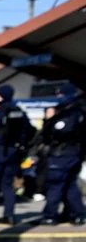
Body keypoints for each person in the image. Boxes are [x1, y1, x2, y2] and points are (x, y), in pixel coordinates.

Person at [0, 84, 32, 225]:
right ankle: (9, 216)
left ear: (1, 96)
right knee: (8, 186)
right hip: (13, 153)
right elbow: (29, 131)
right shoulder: (20, 112)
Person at [37, 86, 85, 226]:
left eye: (61, 95)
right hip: (74, 154)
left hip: (62, 155)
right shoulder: (76, 110)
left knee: (55, 185)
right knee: (70, 185)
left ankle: (50, 215)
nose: (59, 97)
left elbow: (57, 131)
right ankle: (77, 214)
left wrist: (49, 120)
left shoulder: (71, 113)